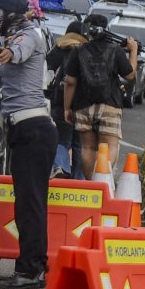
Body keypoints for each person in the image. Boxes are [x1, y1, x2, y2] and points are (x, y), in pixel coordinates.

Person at [0, 0, 56, 289]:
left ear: (11, 14)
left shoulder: (29, 35)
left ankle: (30, 271)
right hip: (25, 131)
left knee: (30, 205)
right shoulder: (13, 37)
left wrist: (10, 53)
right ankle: (34, 266)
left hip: (33, 131)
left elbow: (21, 50)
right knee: (28, 204)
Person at [64, 13, 137, 179]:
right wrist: (133, 51)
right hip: (110, 104)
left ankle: (91, 185)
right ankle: (103, 181)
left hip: (83, 105)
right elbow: (130, 75)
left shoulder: (78, 51)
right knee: (110, 146)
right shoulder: (115, 50)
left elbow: (70, 82)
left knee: (88, 148)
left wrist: (67, 108)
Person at [46, 20, 86, 179]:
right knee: (79, 143)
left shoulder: (58, 48)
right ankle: (80, 179)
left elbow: (48, 70)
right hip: (84, 102)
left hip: (61, 101)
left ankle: (60, 166)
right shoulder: (86, 50)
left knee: (62, 139)